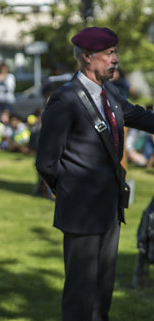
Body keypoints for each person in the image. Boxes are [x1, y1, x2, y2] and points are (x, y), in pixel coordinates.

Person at [35, 27, 154, 321]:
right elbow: (46, 162)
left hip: (109, 210)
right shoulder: (65, 100)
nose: (116, 60)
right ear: (87, 57)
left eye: (115, 53)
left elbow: (138, 115)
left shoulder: (109, 92)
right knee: (80, 298)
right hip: (81, 213)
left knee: (103, 296)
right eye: (110, 54)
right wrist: (73, 191)